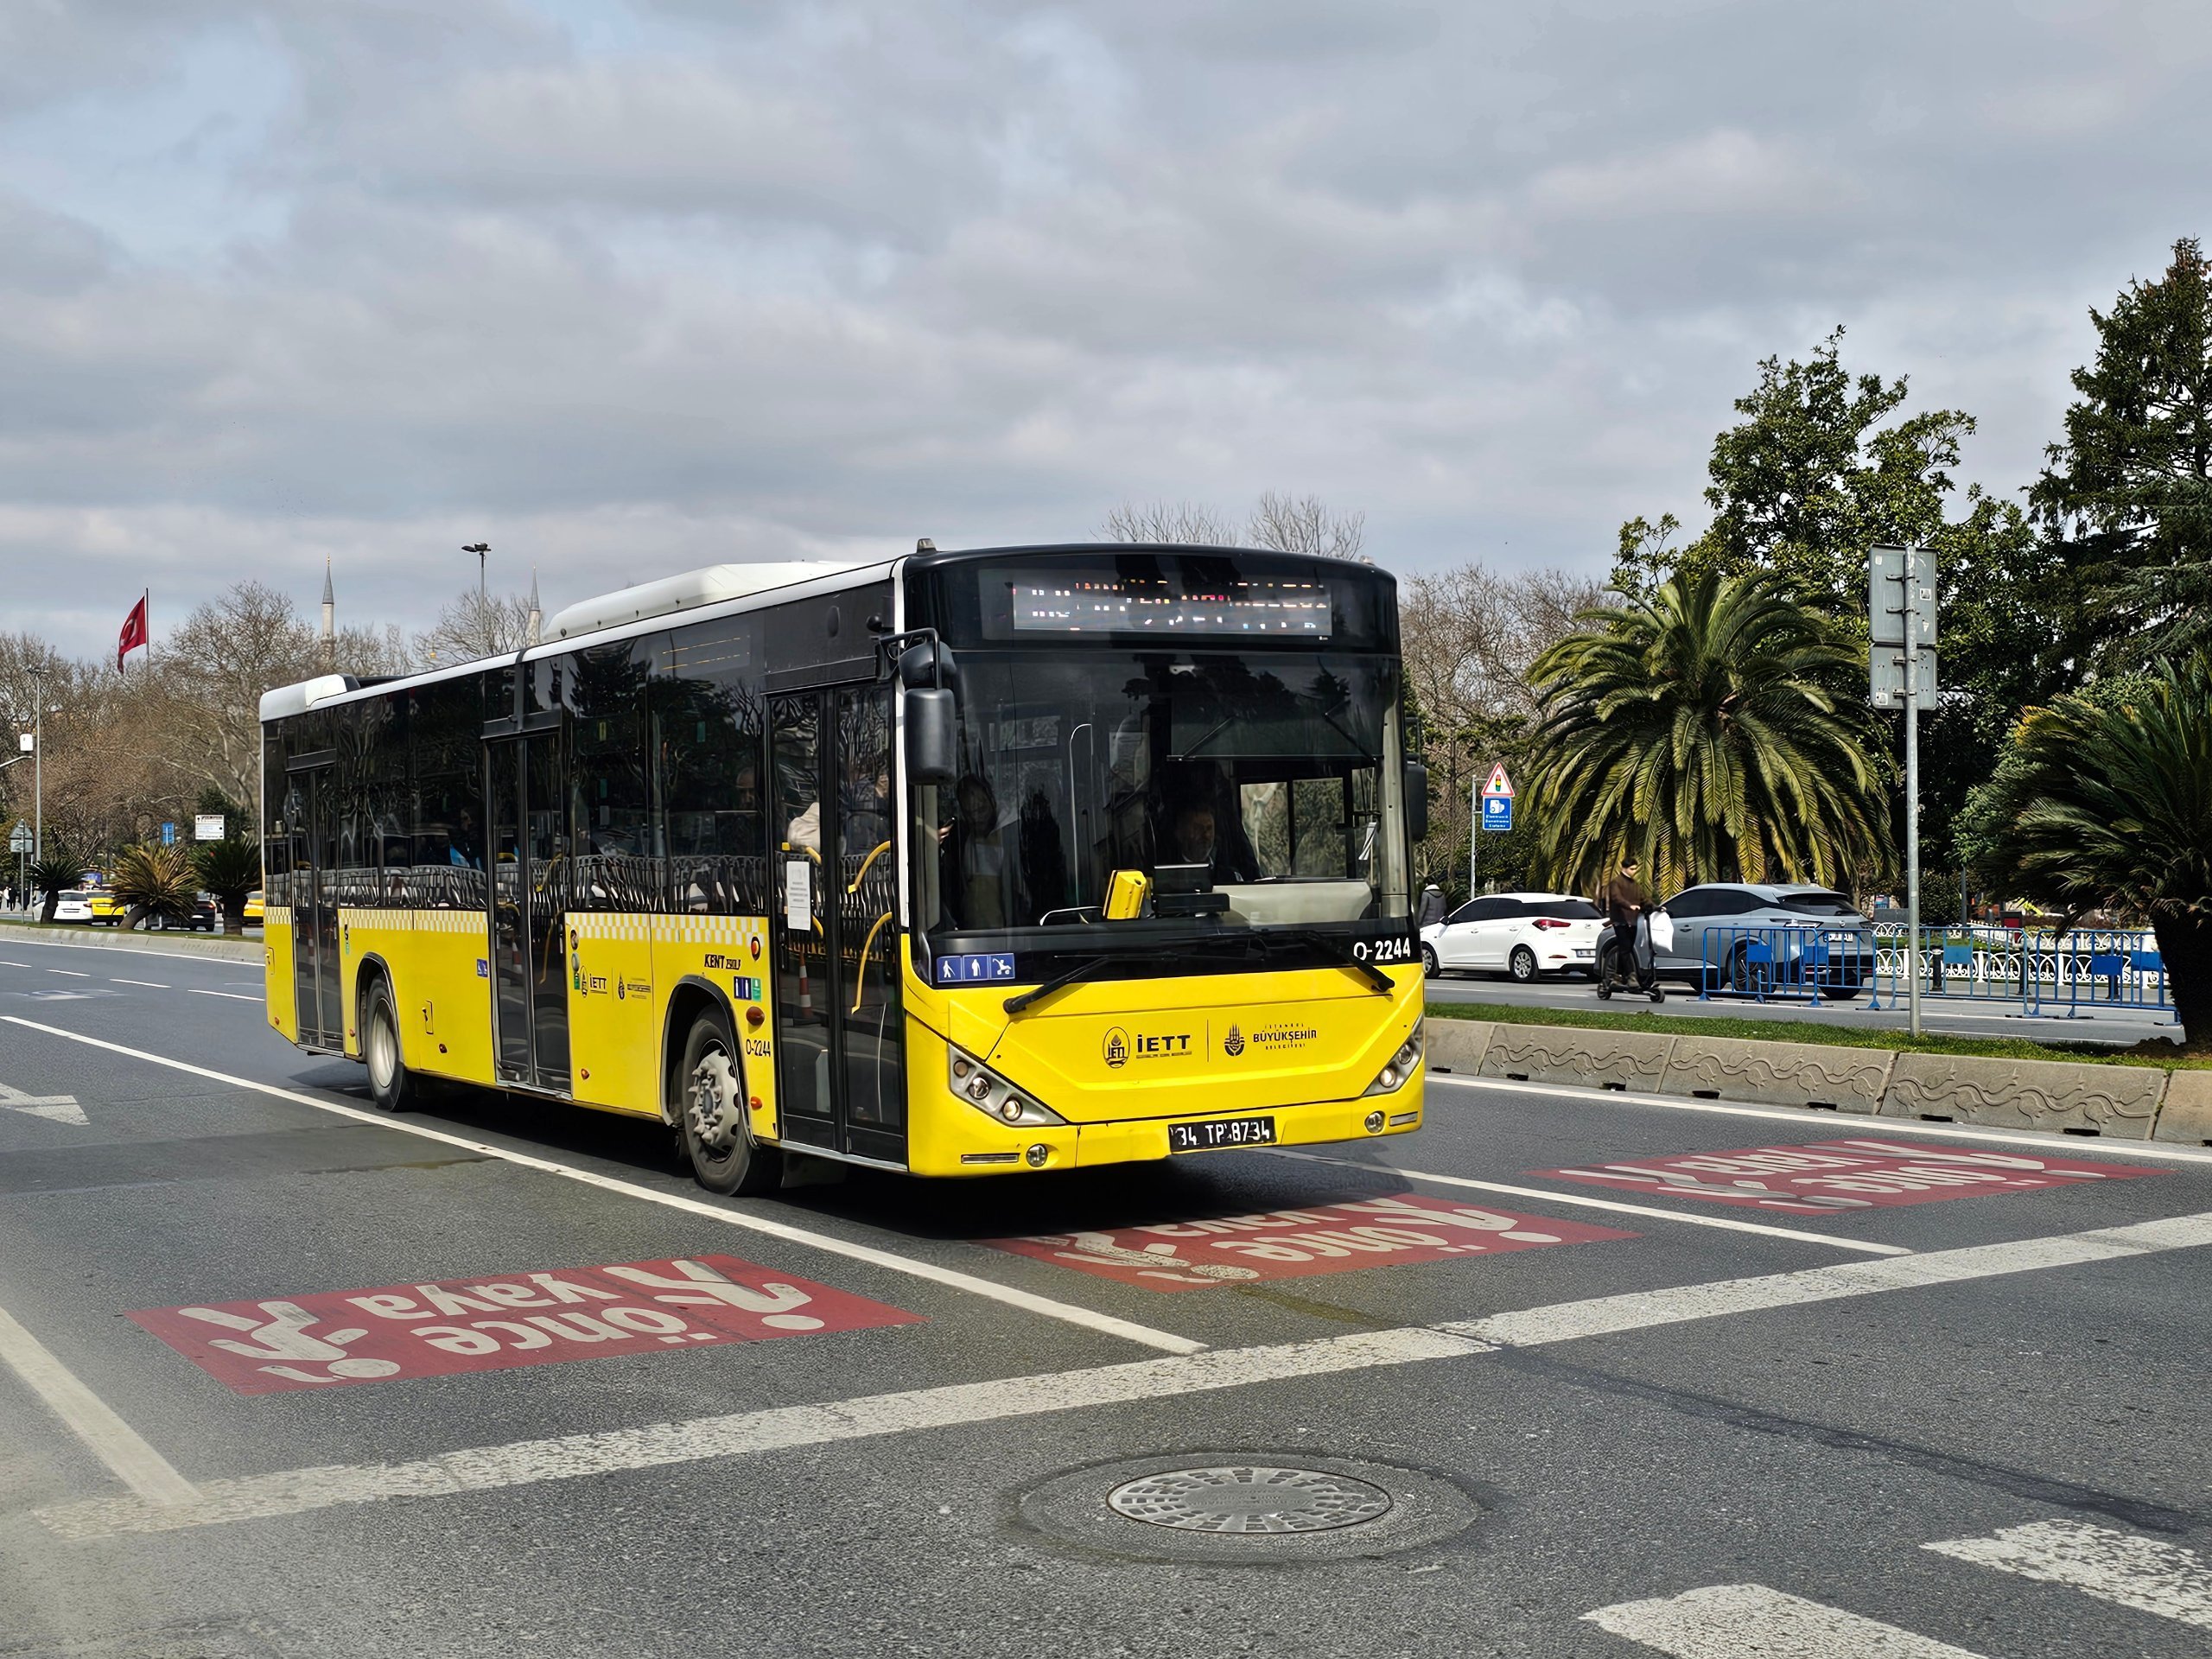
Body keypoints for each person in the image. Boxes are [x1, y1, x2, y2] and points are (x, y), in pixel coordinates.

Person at [1599, 855, 1660, 998]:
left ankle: (1619, 976)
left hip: (1633, 921)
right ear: (1624, 868)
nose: (1634, 871)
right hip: (1621, 921)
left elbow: (1643, 899)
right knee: (1625, 948)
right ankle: (1631, 976)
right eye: (1632, 869)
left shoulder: (1635, 884)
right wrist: (1629, 905)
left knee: (1627, 949)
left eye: (1635, 869)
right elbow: (1616, 898)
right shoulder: (1616, 883)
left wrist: (1655, 907)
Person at [1170, 799, 1251, 885]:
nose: (1206, 835)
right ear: (1180, 833)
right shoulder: (1168, 876)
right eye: (1198, 828)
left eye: (1209, 828)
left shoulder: (1231, 877)